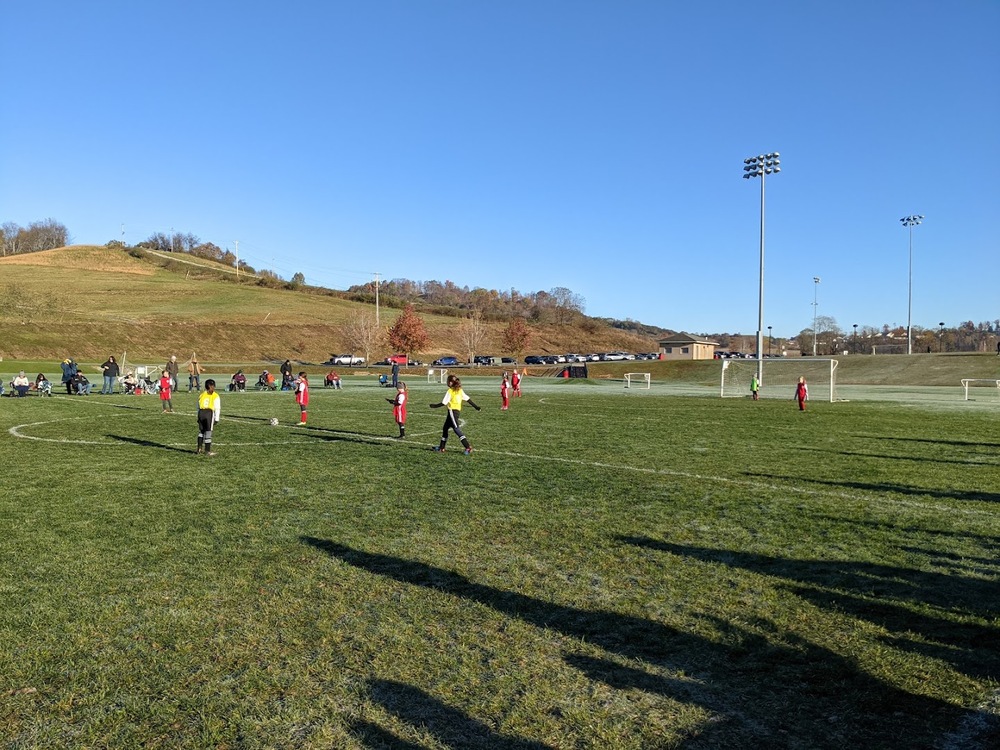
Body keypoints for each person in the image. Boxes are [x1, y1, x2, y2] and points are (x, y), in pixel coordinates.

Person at [430, 375, 481, 454]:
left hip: (452, 412)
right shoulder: (459, 390)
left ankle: (468, 447)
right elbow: (468, 399)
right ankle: (441, 447)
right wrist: (476, 407)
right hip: (456, 412)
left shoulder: (450, 391)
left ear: (450, 382)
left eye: (447, 381)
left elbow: (444, 402)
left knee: (456, 429)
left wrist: (434, 406)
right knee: (445, 428)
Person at [196, 379, 221, 455]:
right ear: (211, 386)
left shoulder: (202, 394)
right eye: (213, 386)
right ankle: (207, 451)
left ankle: (199, 449)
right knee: (208, 432)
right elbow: (217, 407)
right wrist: (216, 419)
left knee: (201, 431)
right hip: (208, 413)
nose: (213, 388)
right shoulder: (215, 395)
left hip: (201, 412)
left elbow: (198, 406)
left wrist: (198, 416)